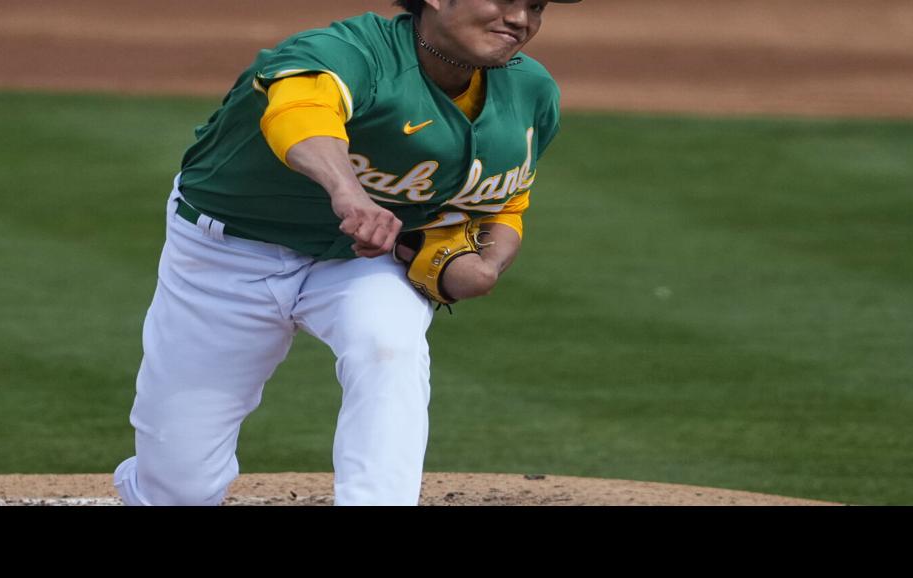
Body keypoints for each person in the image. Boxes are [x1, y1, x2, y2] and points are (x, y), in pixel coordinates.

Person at [112, 0, 580, 506]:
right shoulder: (346, 52)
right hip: (229, 253)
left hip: (366, 259)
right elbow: (298, 113)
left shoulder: (529, 91)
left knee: (388, 346)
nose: (520, 19)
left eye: (534, 6)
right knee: (178, 486)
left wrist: (488, 263)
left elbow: (505, 198)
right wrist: (348, 192)